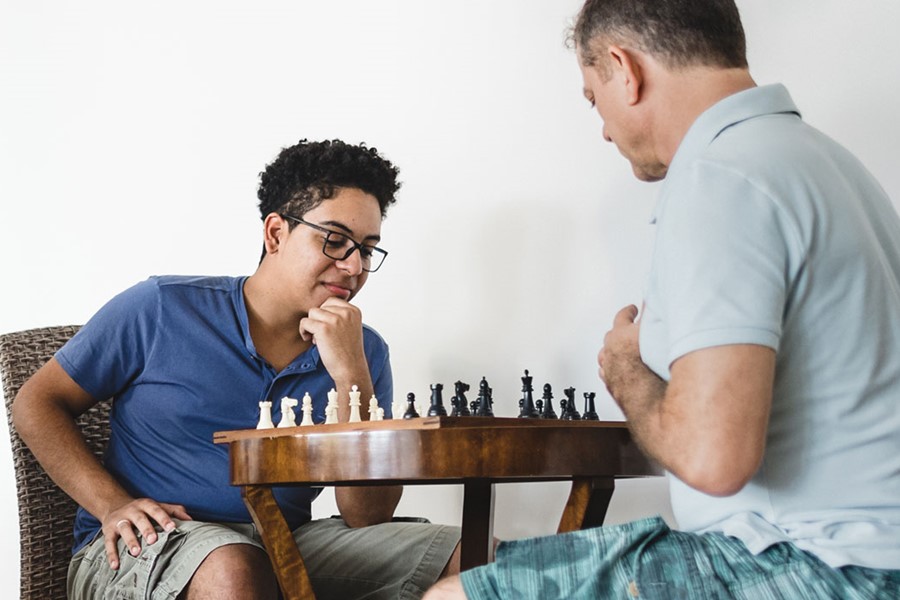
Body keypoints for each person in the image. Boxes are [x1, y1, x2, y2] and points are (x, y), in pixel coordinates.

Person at [425, 0, 900, 598]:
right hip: (867, 553)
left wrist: (626, 369)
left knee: (450, 596)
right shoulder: (824, 161)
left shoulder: (721, 178)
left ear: (626, 70)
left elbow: (713, 459)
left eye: (594, 98)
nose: (602, 128)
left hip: (813, 566)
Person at [12, 139, 461, 599]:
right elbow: (37, 402)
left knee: (470, 555)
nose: (353, 266)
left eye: (367, 249)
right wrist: (111, 505)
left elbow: (368, 516)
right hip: (147, 545)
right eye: (334, 240)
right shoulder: (162, 308)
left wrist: (352, 379)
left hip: (284, 541)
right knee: (233, 568)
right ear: (275, 234)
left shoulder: (362, 351)